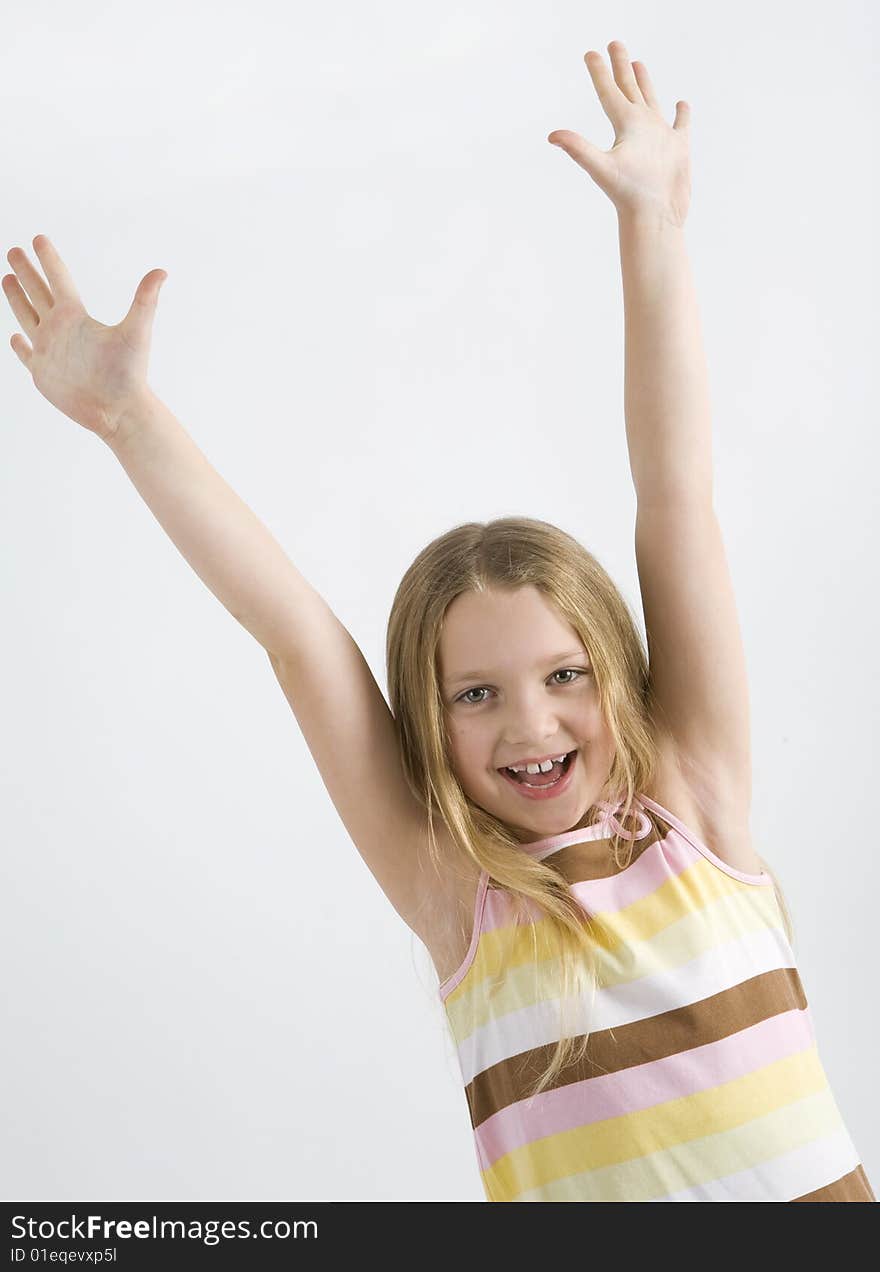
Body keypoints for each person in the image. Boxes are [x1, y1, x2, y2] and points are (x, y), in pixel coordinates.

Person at [4, 40, 873, 1203]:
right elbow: (298, 635)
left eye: (565, 674)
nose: (530, 722)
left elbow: (675, 494)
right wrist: (128, 422)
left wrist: (652, 228)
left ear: (617, 671)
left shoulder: (694, 804)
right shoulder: (457, 897)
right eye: (476, 694)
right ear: (428, 720)